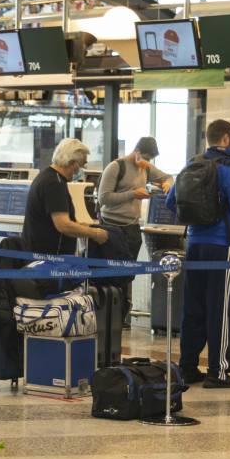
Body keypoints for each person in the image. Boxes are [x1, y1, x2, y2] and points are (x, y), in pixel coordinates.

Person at [165, 119, 230, 388]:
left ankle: (188, 368)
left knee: (194, 308)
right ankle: (219, 372)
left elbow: (170, 201)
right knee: (221, 308)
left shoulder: (192, 163)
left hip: (193, 244)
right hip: (222, 245)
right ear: (226, 139)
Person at [95, 136, 172, 323]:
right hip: (111, 226)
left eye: (150, 160)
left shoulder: (144, 167)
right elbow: (103, 198)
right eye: (145, 157)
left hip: (131, 228)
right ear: (136, 151)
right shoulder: (116, 167)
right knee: (111, 274)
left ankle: (122, 315)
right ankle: (107, 313)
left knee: (128, 274)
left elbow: (167, 176)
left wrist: (167, 183)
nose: (147, 162)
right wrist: (133, 194)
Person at [22, 138, 108, 257]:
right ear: (72, 162)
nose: (80, 170)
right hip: (49, 259)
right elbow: (63, 225)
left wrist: (82, 226)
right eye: (82, 164)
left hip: (39, 253)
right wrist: (95, 233)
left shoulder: (47, 177)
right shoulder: (54, 184)